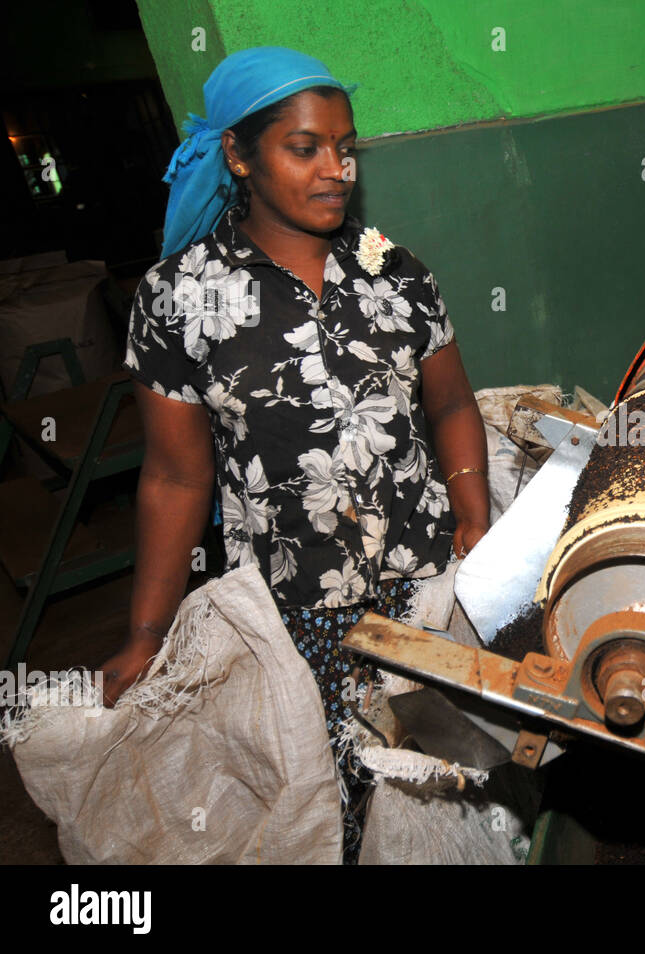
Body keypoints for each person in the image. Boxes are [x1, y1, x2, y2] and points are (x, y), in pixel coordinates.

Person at [97, 47, 491, 862]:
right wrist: (146, 631)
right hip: (294, 611)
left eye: (345, 147)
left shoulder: (393, 271)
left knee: (446, 781)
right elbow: (174, 476)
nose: (337, 169)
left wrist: (474, 513)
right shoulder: (178, 299)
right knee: (330, 802)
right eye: (305, 148)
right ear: (239, 155)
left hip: (425, 583)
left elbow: (452, 402)